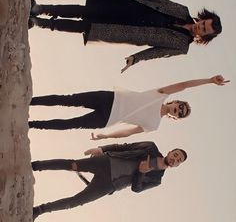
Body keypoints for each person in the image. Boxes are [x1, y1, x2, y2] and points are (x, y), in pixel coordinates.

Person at [28, 0, 222, 72]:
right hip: (129, 10)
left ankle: (40, 23)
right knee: (84, 11)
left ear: (204, 37)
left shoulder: (182, 47)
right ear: (203, 18)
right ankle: (41, 8)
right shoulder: (182, 10)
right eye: (204, 24)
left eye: (204, 31)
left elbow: (156, 52)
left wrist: (135, 59)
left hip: (128, 32)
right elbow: (160, 0)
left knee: (84, 27)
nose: (201, 28)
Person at [32, 141, 187, 220]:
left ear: (178, 166)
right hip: (107, 161)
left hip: (109, 184)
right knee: (72, 165)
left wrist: (140, 173)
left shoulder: (157, 179)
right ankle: (35, 166)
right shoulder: (151, 147)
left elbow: (136, 189)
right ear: (170, 152)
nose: (175, 159)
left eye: (178, 160)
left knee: (77, 201)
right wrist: (102, 149)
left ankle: (39, 210)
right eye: (176, 154)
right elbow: (124, 146)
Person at [28, 75, 229, 134]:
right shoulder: (160, 94)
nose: (179, 109)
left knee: (71, 124)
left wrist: (104, 136)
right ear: (175, 101)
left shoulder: (154, 125)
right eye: (181, 106)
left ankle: (32, 125)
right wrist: (209, 81)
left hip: (107, 119)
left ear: (175, 117)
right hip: (110, 99)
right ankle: (30, 101)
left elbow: (128, 133)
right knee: (69, 99)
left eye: (181, 113)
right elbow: (184, 84)